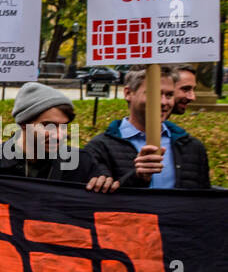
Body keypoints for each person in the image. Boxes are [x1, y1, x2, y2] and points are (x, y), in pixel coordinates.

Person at [80, 65, 211, 189]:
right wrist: (137, 177)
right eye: (154, 94)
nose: (163, 102)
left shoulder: (192, 147)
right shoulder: (99, 148)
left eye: (169, 95)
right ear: (128, 93)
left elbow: (203, 201)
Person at [0, 82, 117, 192]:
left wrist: (103, 182)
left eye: (64, 126)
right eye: (48, 125)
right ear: (23, 124)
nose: (59, 135)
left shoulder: (82, 163)